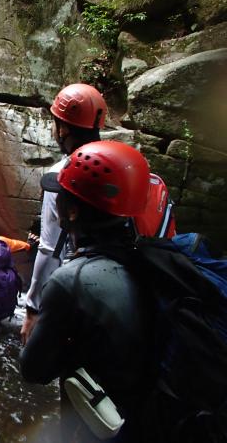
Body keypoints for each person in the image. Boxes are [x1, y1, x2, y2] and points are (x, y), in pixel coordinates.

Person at [19, 140, 154, 443]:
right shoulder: (152, 258)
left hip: (104, 424)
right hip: (151, 415)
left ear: (72, 211)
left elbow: (33, 369)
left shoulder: (70, 281)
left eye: (61, 195)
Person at [21, 83, 107, 344]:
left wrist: (32, 308)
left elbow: (49, 248)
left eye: (54, 122)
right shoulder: (115, 164)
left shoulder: (62, 176)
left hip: (78, 282)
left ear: (63, 129)